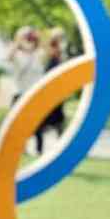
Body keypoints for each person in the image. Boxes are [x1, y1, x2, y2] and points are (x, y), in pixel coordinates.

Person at [8, 26, 46, 153]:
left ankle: (39, 149)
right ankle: (21, 148)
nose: (28, 40)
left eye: (30, 37)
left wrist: (36, 37)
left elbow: (45, 50)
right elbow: (9, 57)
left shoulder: (39, 54)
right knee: (18, 124)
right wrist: (19, 39)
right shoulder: (16, 54)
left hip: (35, 93)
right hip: (19, 92)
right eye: (26, 37)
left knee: (37, 123)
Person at [34, 27, 67, 155]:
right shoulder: (46, 55)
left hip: (58, 94)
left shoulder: (61, 56)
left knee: (59, 122)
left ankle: (61, 148)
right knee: (41, 122)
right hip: (47, 94)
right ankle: (39, 149)